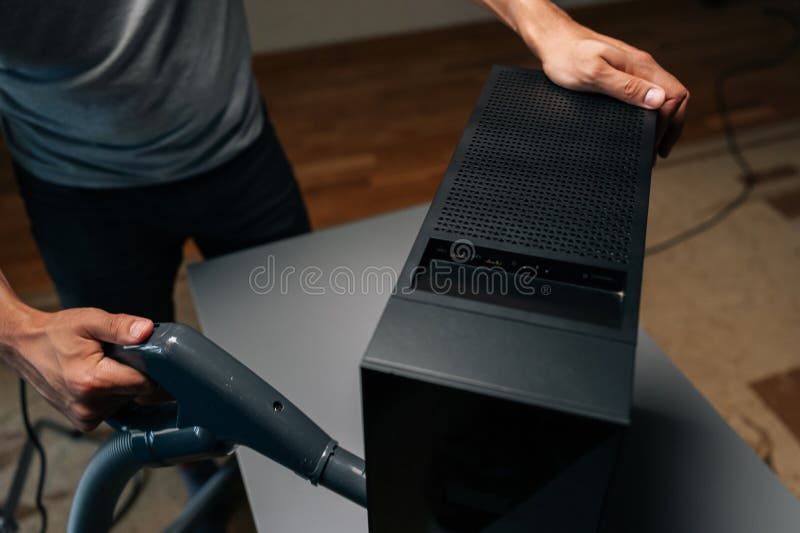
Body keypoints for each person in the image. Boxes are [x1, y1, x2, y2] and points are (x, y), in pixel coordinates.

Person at [0, 0, 688, 526]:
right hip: (74, 183)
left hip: (235, 147)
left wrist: (545, 24)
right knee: (137, 396)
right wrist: (16, 329)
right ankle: (210, 480)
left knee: (295, 353)